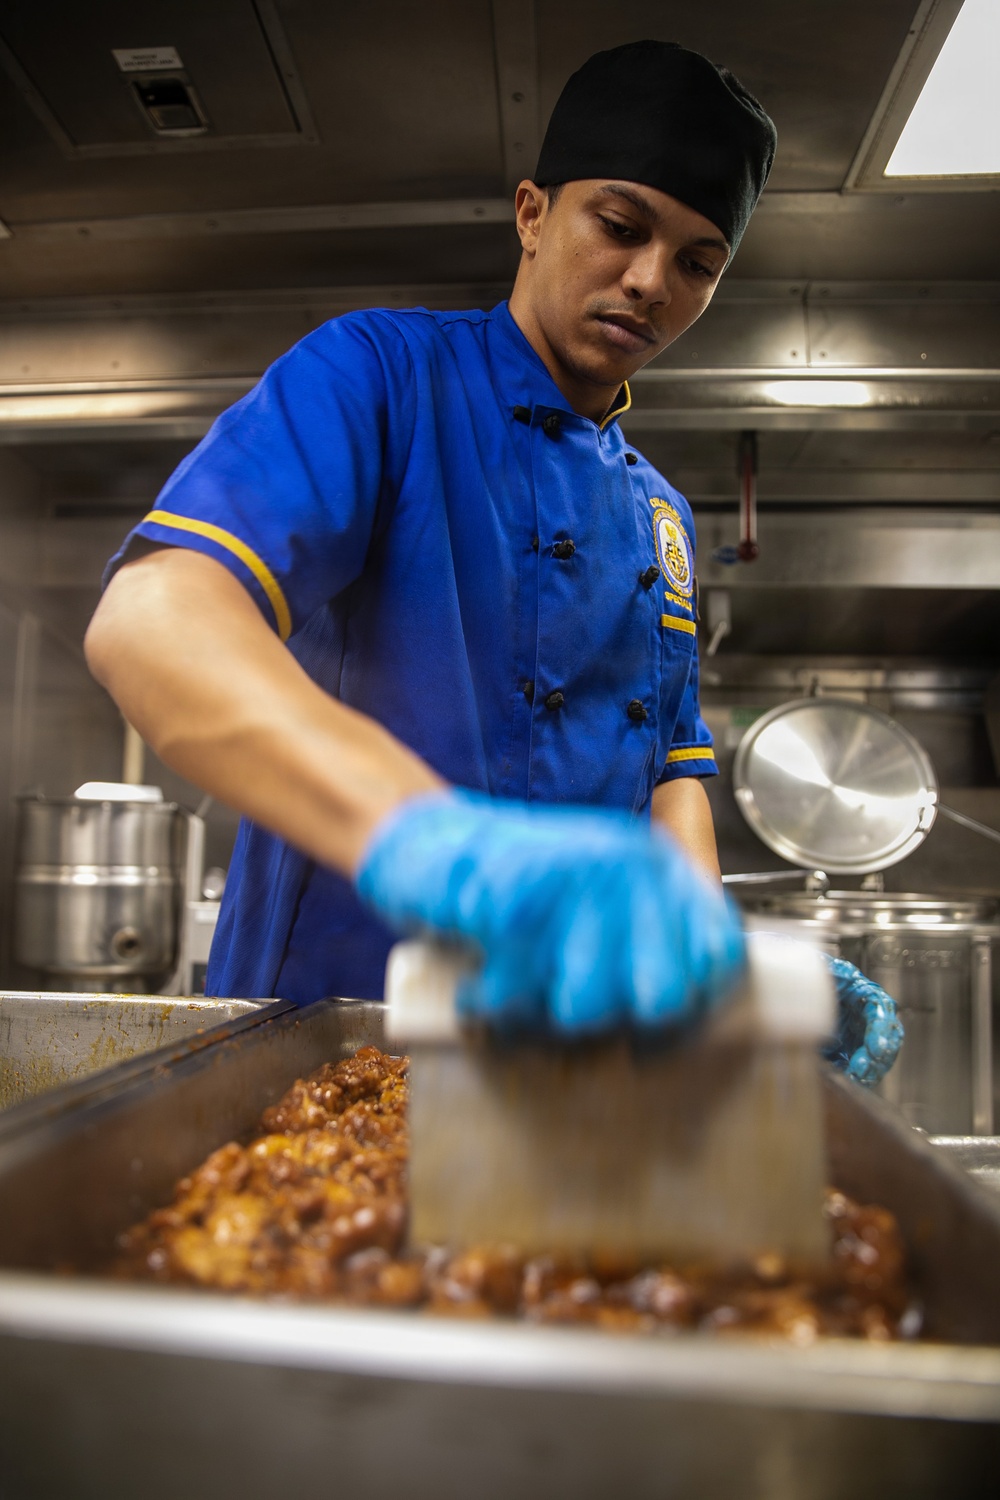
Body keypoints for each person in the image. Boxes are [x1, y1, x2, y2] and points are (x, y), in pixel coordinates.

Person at [85, 40, 901, 1080]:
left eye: (699, 261)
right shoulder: (379, 375)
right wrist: (434, 842)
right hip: (327, 1038)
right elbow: (150, 622)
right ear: (530, 214)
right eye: (620, 226)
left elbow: (671, 775)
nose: (650, 281)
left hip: (571, 1067)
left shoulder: (661, 515)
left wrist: (713, 981)